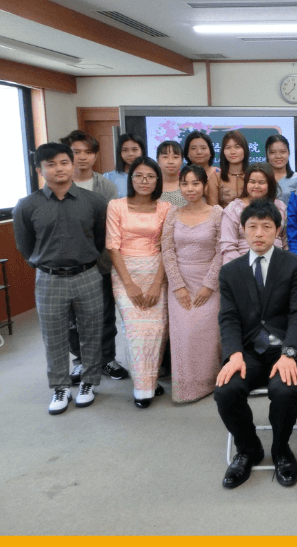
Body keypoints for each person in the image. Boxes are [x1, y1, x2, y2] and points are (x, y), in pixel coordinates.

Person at [214, 201, 297, 490]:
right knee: (226, 390)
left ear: (277, 231)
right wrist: (233, 354)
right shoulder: (230, 272)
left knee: (283, 390)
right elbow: (228, 318)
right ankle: (248, 449)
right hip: (249, 351)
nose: (259, 233)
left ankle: (281, 449)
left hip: (288, 349)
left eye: (267, 227)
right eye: (252, 227)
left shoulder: (294, 264)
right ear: (243, 230)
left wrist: (290, 353)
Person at [13, 143, 108, 414]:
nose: (59, 169)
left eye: (64, 162)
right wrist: (44, 264)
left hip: (87, 274)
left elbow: (100, 238)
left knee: (91, 332)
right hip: (49, 279)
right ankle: (60, 386)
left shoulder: (94, 202)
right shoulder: (27, 205)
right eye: (51, 164)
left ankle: (89, 382)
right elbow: (25, 245)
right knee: (53, 335)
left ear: (72, 164)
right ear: (40, 170)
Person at [60, 130, 128, 383]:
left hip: (100, 262)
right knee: (73, 319)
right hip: (69, 265)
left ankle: (107, 359)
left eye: (88, 152)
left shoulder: (106, 186)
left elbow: (108, 226)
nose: (82, 157)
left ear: (95, 155)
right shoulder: (59, 183)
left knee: (105, 313)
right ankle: (80, 362)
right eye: (76, 152)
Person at [106, 156, 171, 408]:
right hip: (125, 272)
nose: (144, 181)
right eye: (139, 176)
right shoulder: (116, 205)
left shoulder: (166, 207)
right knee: (135, 330)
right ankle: (141, 388)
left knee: (156, 331)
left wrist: (156, 283)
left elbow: (168, 246)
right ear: (131, 179)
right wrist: (130, 284)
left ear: (158, 180)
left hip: (156, 271)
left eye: (150, 176)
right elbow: (112, 246)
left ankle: (150, 381)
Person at [161, 165, 223, 403]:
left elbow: (222, 250)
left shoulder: (217, 212)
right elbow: (167, 250)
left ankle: (209, 382)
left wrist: (209, 284)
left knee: (207, 335)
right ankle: (186, 387)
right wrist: (177, 285)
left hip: (209, 282)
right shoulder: (173, 213)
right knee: (183, 336)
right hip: (180, 283)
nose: (190, 189)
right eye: (185, 184)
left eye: (195, 183)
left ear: (205, 186)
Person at [221, 163, 287, 265]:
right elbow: (228, 247)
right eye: (252, 182)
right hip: (242, 267)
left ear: (270, 184)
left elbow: (286, 242)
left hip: (277, 265)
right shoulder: (233, 209)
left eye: (261, 182)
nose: (256, 186)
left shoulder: (281, 207)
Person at [184, 130, 220, 206]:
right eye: (193, 148)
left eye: (203, 148)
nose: (199, 152)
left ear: (211, 152)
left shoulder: (219, 173)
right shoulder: (183, 176)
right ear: (187, 153)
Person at [104, 133, 144, 198]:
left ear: (142, 151)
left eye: (134, 149)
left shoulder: (152, 176)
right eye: (125, 150)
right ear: (120, 152)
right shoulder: (108, 178)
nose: (130, 154)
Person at [218, 129, 250, 209]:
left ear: (244, 149)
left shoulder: (252, 175)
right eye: (228, 147)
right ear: (223, 151)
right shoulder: (216, 177)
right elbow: (212, 209)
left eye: (237, 147)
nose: (233, 152)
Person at [266, 134, 297, 205]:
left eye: (282, 152)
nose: (278, 156)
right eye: (273, 152)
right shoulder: (262, 178)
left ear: (288, 153)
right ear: (267, 155)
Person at [156, 140, 187, 207]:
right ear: (158, 160)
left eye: (175, 157)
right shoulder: (152, 185)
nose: (170, 161)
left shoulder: (189, 184)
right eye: (165, 157)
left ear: (182, 160)